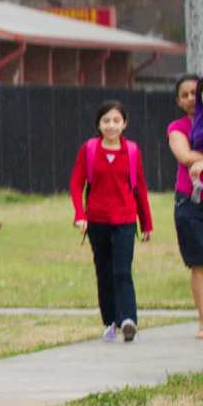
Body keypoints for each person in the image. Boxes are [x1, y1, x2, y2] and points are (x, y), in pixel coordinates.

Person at [70, 100, 153, 343]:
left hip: (125, 220)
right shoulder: (89, 149)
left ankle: (129, 320)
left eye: (116, 120)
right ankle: (110, 322)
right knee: (104, 272)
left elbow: (140, 188)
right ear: (98, 124)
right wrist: (79, 214)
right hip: (97, 221)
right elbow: (76, 184)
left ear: (124, 124)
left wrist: (146, 222)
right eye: (106, 120)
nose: (111, 125)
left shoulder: (133, 151)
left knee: (122, 271)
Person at [165, 74, 203, 339]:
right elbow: (185, 156)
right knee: (199, 264)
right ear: (178, 101)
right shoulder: (177, 127)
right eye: (185, 94)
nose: (191, 98)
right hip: (190, 202)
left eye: (195, 93)